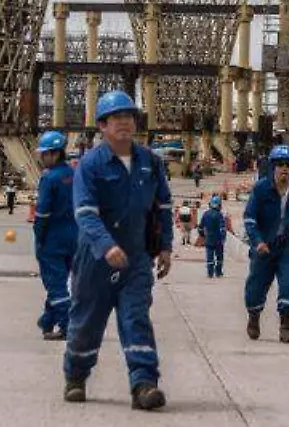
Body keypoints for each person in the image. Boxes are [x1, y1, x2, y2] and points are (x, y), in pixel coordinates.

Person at [63, 90, 173, 410]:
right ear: (102, 125)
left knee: (136, 318)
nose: (124, 122)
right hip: (95, 260)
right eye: (116, 118)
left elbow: (163, 207)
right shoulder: (90, 164)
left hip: (136, 258)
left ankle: (144, 384)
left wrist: (165, 247)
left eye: (129, 117)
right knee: (86, 322)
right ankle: (76, 376)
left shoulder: (150, 162)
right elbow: (85, 212)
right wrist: (106, 245)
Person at [243, 144, 289, 344]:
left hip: (286, 245)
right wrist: (258, 241)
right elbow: (249, 218)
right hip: (263, 246)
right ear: (273, 166)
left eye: (288, 164)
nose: (284, 168)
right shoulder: (261, 188)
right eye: (280, 164)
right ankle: (254, 317)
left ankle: (285, 327)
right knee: (255, 287)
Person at [33, 130, 77, 341]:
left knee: (56, 285)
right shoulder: (74, 174)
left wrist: (39, 236)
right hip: (74, 237)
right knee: (60, 281)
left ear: (55, 153)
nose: (42, 158)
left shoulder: (49, 178)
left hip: (53, 239)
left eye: (44, 154)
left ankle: (68, 326)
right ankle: (47, 320)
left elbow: (42, 212)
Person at [199, 194, 228, 278]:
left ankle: (210, 273)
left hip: (208, 239)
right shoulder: (219, 215)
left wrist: (202, 236)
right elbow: (222, 228)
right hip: (218, 240)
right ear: (219, 205)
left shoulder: (206, 214)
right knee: (219, 257)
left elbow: (200, 227)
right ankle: (218, 273)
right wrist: (223, 238)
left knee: (209, 257)